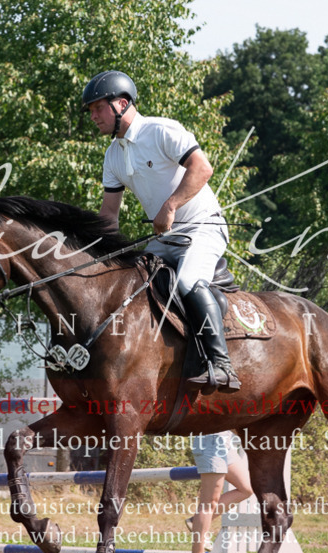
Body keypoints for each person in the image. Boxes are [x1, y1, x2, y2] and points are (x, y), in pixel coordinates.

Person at [83, 69, 240, 393]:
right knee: (132, 286)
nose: (93, 116)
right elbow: (109, 214)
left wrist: (170, 206)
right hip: (165, 240)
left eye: (98, 107)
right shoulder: (113, 155)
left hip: (202, 228)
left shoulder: (161, 130)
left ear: (121, 104)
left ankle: (221, 364)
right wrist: (94, 254)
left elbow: (203, 168)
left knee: (187, 282)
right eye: (91, 110)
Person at [185, 432, 254, 553]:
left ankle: (196, 523)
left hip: (226, 443)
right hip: (211, 442)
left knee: (246, 488)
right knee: (209, 502)